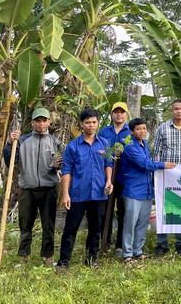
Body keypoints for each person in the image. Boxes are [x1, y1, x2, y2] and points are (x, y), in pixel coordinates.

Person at [3, 108, 63, 265]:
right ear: (32, 123)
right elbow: (10, 161)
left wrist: (58, 165)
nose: (41, 124)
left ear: (49, 122)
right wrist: (10, 143)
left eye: (44, 120)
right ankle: (24, 256)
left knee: (48, 225)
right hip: (27, 189)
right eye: (38, 121)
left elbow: (61, 166)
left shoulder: (55, 142)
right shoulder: (22, 141)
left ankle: (48, 257)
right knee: (25, 224)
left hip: (49, 189)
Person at [57, 109, 113, 269]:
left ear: (97, 123)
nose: (91, 125)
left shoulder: (104, 144)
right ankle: (63, 261)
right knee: (71, 228)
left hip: (99, 193)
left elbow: (109, 164)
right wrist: (66, 194)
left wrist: (109, 181)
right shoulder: (73, 147)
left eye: (94, 122)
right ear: (81, 124)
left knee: (96, 228)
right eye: (87, 122)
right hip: (78, 194)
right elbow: (66, 171)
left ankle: (91, 259)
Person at [121, 118, 176, 265]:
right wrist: (163, 164)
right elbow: (144, 164)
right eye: (139, 129)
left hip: (146, 190)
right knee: (130, 223)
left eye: (144, 129)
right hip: (133, 190)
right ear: (132, 131)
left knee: (142, 223)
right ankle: (127, 254)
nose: (142, 131)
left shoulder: (144, 145)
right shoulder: (130, 147)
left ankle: (137, 251)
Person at [151, 98, 181, 257]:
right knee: (162, 209)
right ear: (171, 111)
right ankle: (162, 244)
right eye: (176, 109)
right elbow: (156, 152)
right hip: (164, 175)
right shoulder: (162, 128)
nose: (179, 111)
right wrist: (156, 172)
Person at [99, 102, 131, 256]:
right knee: (106, 210)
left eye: (122, 112)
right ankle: (105, 240)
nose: (119, 114)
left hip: (125, 178)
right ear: (112, 114)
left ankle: (120, 244)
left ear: (126, 114)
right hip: (108, 178)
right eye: (116, 112)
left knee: (123, 211)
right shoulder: (104, 132)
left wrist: (123, 153)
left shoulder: (130, 132)